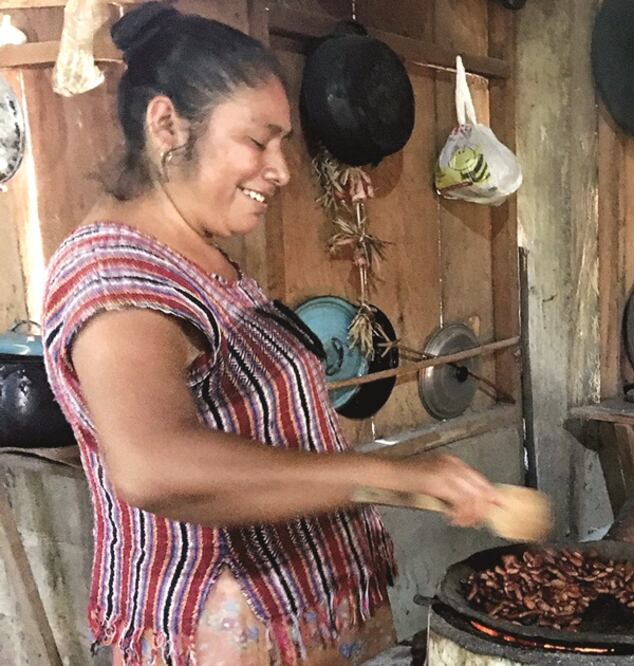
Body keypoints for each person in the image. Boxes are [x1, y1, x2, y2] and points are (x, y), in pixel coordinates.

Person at [41, 4, 501, 665]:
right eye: (258, 142)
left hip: (299, 616)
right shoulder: (115, 275)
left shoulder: (195, 252)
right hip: (222, 630)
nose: (281, 170)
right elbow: (153, 466)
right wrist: (382, 475)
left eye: (282, 143)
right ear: (167, 124)